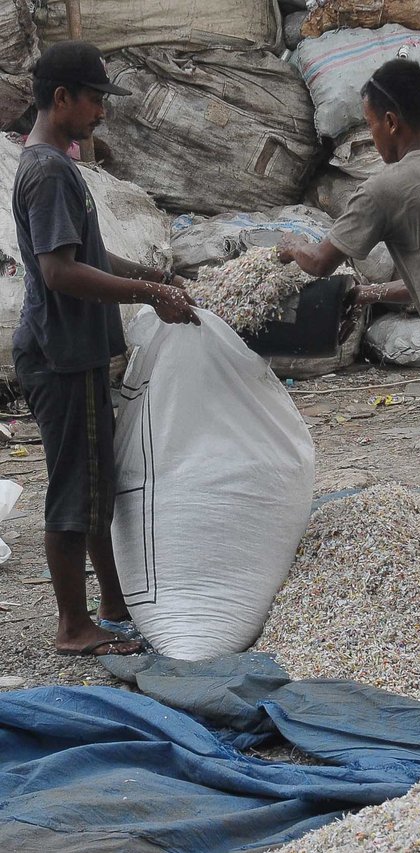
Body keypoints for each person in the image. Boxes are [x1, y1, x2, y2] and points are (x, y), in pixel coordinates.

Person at [12, 40, 200, 657]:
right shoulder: (46, 173)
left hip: (77, 349)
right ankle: (73, 626)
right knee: (74, 489)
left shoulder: (60, 167)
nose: (102, 113)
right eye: (95, 100)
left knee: (97, 480)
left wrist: (155, 278)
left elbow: (87, 255)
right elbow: (60, 271)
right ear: (61, 98)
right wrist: (144, 291)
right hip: (60, 353)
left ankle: (114, 602)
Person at [277, 57, 420, 609]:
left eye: (368, 123)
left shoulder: (387, 186)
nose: (370, 134)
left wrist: (285, 251)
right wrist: (367, 294)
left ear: (390, 121)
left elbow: (320, 262)